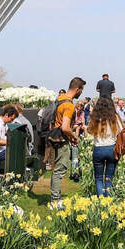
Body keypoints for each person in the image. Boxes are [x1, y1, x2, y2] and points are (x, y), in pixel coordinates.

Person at [49, 76, 86, 208]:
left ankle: (54, 197)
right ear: (77, 89)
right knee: (60, 169)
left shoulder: (59, 99)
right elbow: (65, 127)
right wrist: (74, 137)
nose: (81, 92)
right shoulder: (69, 105)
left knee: (55, 170)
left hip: (53, 136)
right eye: (81, 90)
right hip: (61, 139)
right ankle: (55, 201)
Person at [88, 96, 122, 197]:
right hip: (112, 148)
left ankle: (101, 202)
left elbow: (89, 131)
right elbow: (122, 131)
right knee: (109, 178)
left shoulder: (94, 117)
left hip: (98, 148)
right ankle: (108, 200)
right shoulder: (114, 117)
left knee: (98, 178)